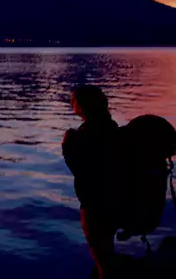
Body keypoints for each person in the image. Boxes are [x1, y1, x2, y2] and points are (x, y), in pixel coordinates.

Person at [62, 85, 123, 278]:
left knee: (104, 265)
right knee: (107, 253)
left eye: (74, 100)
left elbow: (80, 170)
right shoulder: (113, 129)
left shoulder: (82, 136)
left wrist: (67, 146)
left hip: (94, 206)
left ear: (80, 105)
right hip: (117, 201)